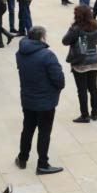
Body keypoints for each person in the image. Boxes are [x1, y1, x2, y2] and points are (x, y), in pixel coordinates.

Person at [15, 26, 65, 175]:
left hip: (28, 98)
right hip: (45, 102)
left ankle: (22, 158)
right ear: (42, 37)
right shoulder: (47, 55)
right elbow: (58, 79)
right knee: (44, 132)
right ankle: (42, 163)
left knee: (28, 128)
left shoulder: (20, 53)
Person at [62, 6, 97, 123]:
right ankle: (95, 113)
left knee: (82, 90)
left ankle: (84, 115)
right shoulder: (96, 26)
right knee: (93, 88)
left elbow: (65, 41)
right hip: (94, 61)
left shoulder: (76, 28)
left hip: (80, 62)